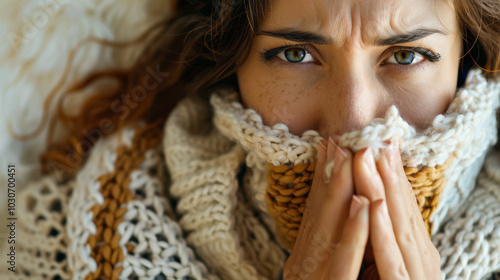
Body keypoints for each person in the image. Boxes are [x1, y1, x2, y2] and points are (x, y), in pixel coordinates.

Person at [1, 0, 499, 279]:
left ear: (465, 60)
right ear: (230, 61)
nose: (352, 127)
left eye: (407, 56)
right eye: (296, 55)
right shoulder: (38, 246)